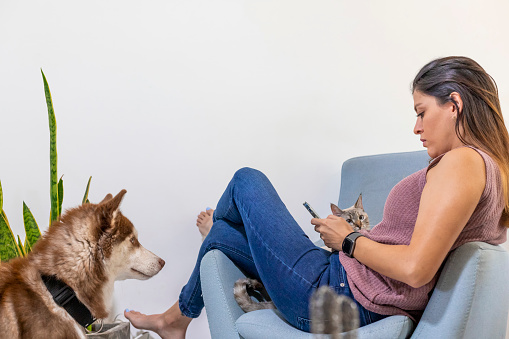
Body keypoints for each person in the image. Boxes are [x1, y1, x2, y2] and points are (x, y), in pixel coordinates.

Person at [124, 56, 509, 338]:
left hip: (336, 294)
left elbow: (415, 269)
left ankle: (177, 316)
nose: (416, 127)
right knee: (222, 236)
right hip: (345, 285)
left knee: (245, 181)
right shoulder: (489, 169)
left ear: (454, 105)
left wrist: (348, 238)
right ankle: (175, 318)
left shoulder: (462, 162)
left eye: (422, 112)